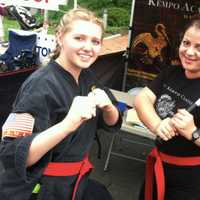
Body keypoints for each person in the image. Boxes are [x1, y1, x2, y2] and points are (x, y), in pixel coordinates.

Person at [0, 8, 122, 200]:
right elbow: (12, 154)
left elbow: (112, 122)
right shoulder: (40, 85)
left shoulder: (87, 77)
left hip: (74, 182)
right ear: (60, 37)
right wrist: (67, 125)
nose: (88, 47)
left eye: (95, 41)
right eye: (79, 38)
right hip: (40, 189)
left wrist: (109, 107)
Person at [134, 15, 200, 200]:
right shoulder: (172, 72)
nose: (189, 51)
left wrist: (193, 132)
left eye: (199, 47)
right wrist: (157, 125)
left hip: (191, 182)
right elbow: (142, 99)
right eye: (186, 43)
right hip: (158, 166)